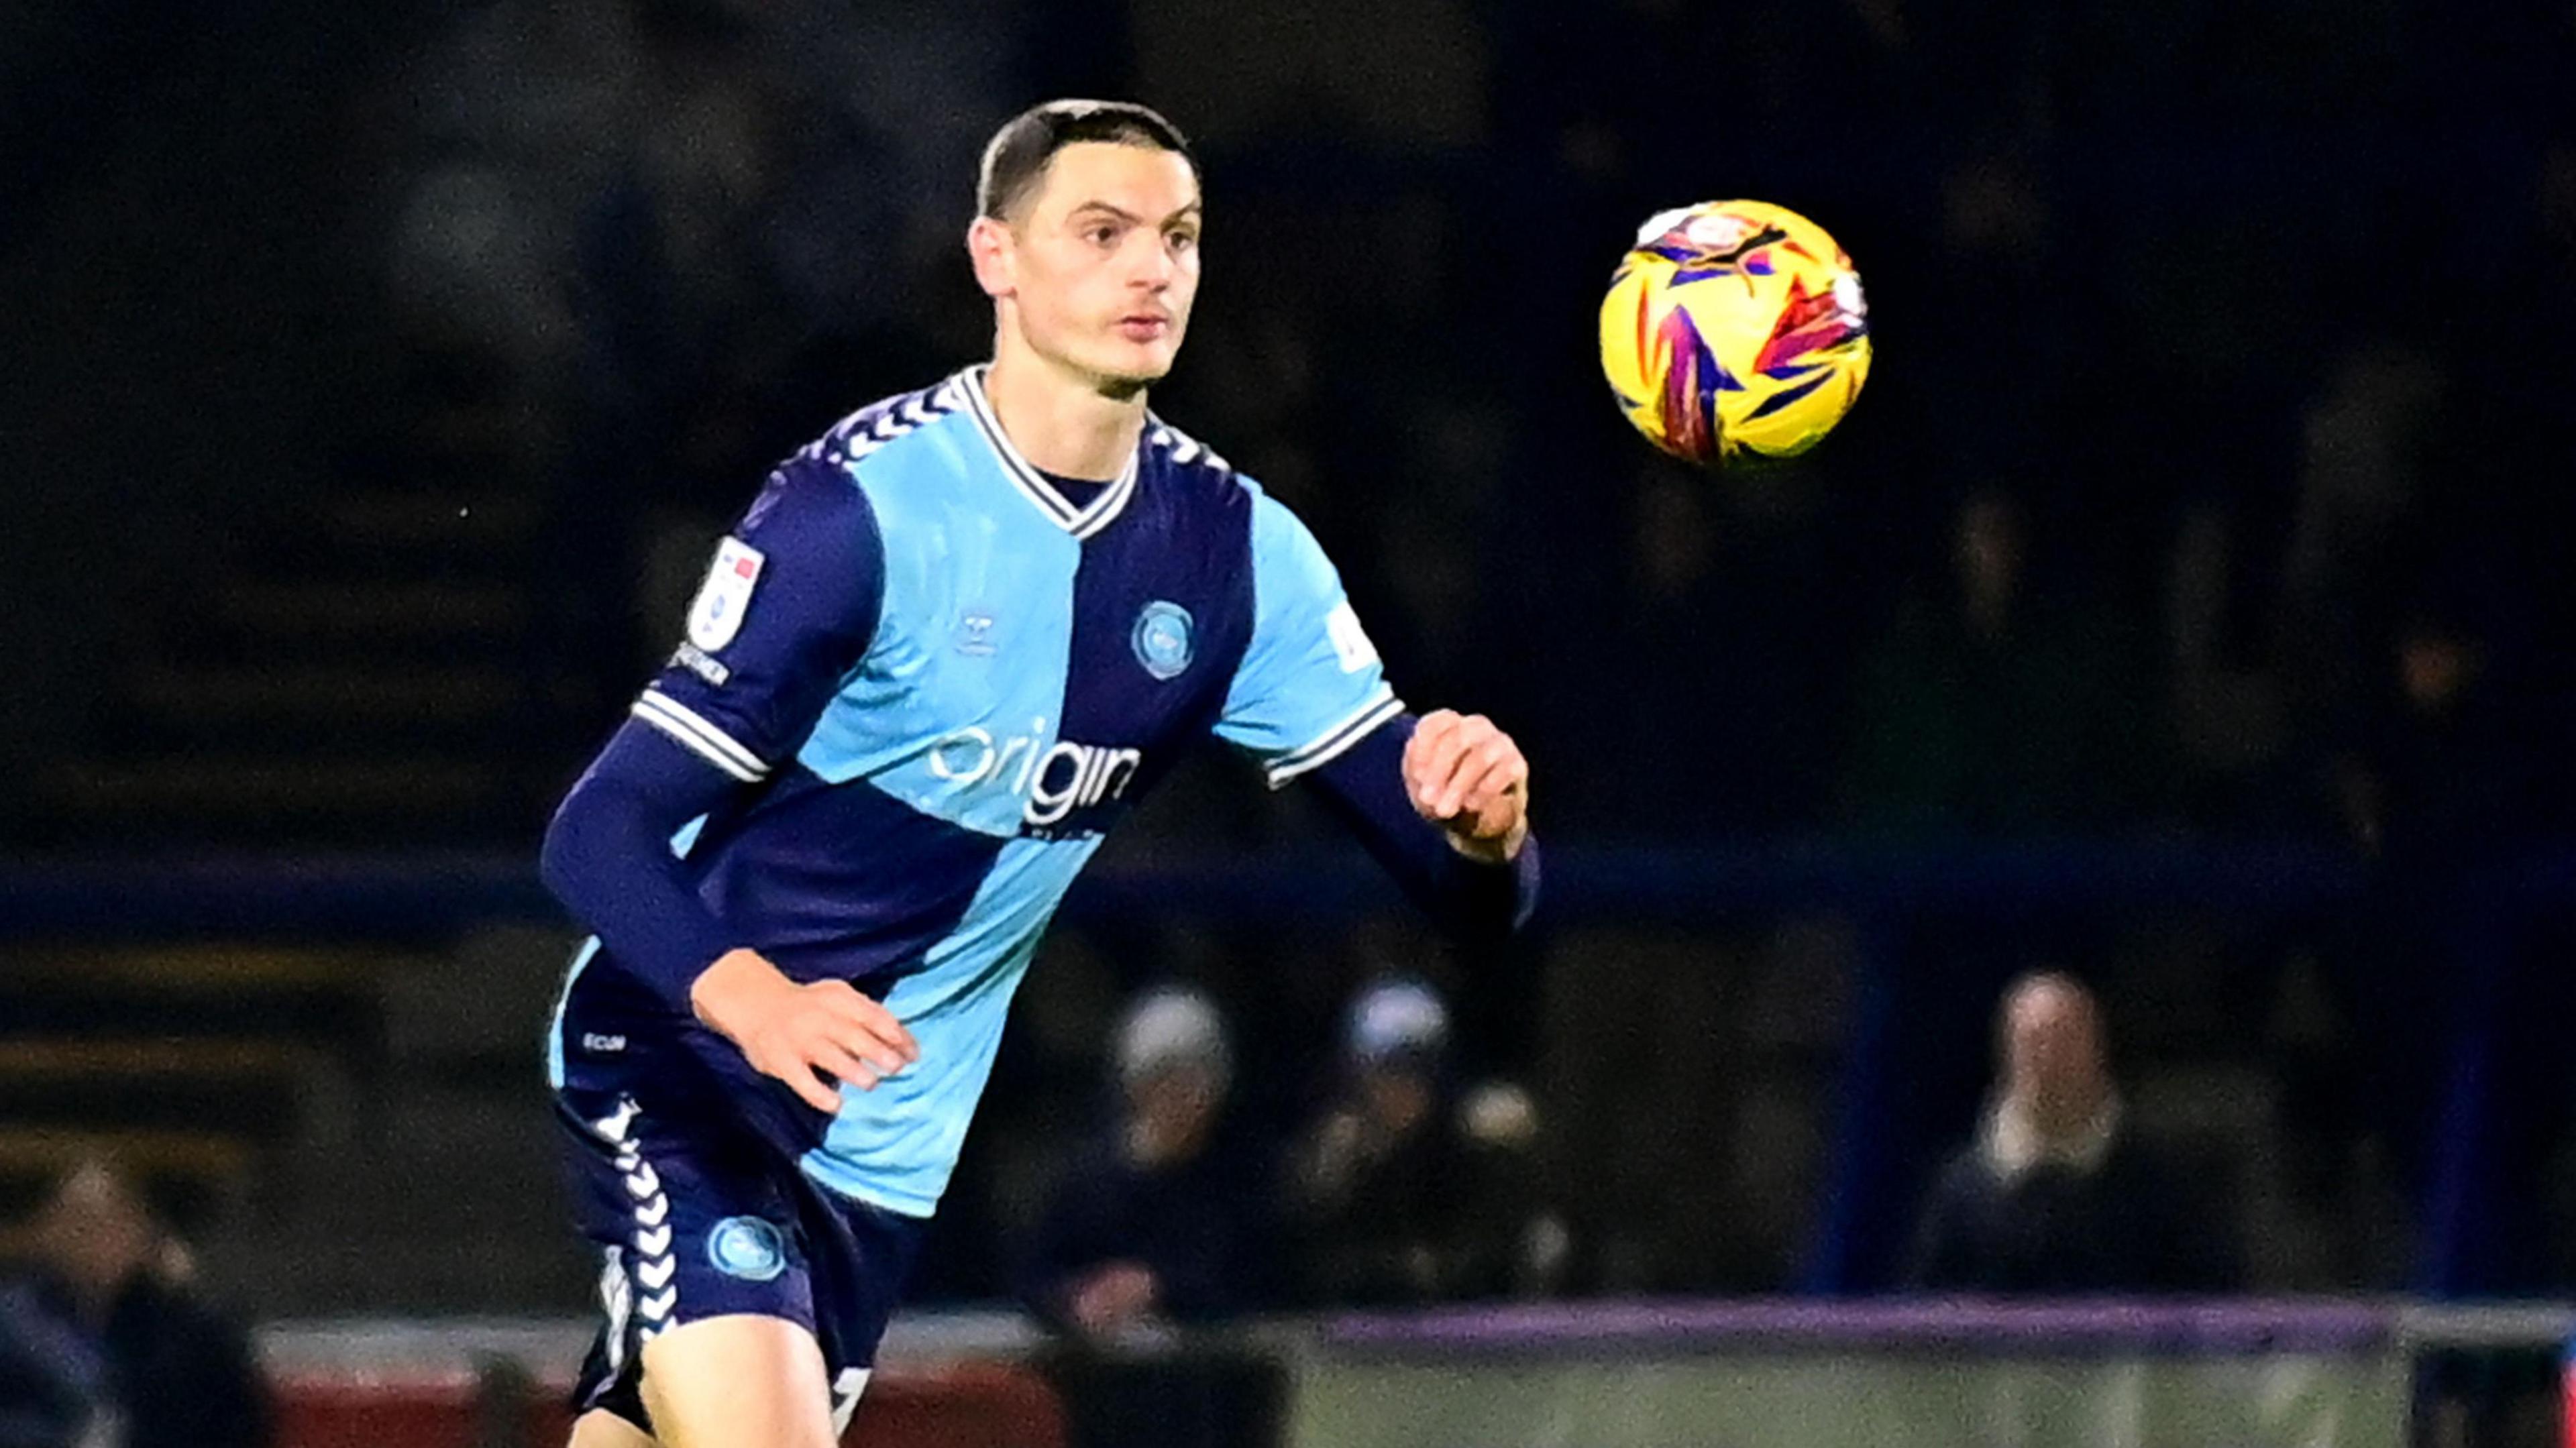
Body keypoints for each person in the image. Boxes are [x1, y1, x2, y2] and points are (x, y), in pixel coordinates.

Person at [537, 99, 1540, 1448]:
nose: (1152, 269)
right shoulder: (862, 512)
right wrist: (756, 1001)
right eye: (1103, 231)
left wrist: (1484, 827)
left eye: (1179, 236)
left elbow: (1472, 900)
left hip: (884, 1144)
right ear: (995, 258)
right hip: (694, 1059)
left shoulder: (1239, 558)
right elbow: (598, 830)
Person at [1908, 973, 2233, 1294]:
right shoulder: (1960, 1192)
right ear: (2007, 1055)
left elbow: (2204, 1305)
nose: (2050, 1059)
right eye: (2034, 1042)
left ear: (2098, 1049)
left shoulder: (2160, 1183)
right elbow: (1930, 1312)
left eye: (2066, 1039)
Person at [1017, 987, 1267, 1341]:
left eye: (1197, 1080)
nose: (1183, 1098)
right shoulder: (1090, 1183)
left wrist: (1157, 1288)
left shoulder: (1237, 1181)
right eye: (1166, 1079)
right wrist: (1079, 1297)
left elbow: (1246, 1279)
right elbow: (1035, 1277)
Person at [1288, 977, 1540, 1304]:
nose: (1405, 1084)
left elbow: (1488, 1246)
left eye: (1419, 1067)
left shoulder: (1471, 1143)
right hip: (1354, 1331)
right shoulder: (1333, 1155)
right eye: (1391, 1068)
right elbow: (1313, 1259)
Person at [15, 1160, 270, 1448]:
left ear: (144, 1232)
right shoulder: (14, 1326)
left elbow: (237, 1426)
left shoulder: (192, 1334)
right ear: (47, 1230)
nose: (96, 1238)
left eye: (113, 1221)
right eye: (79, 1222)